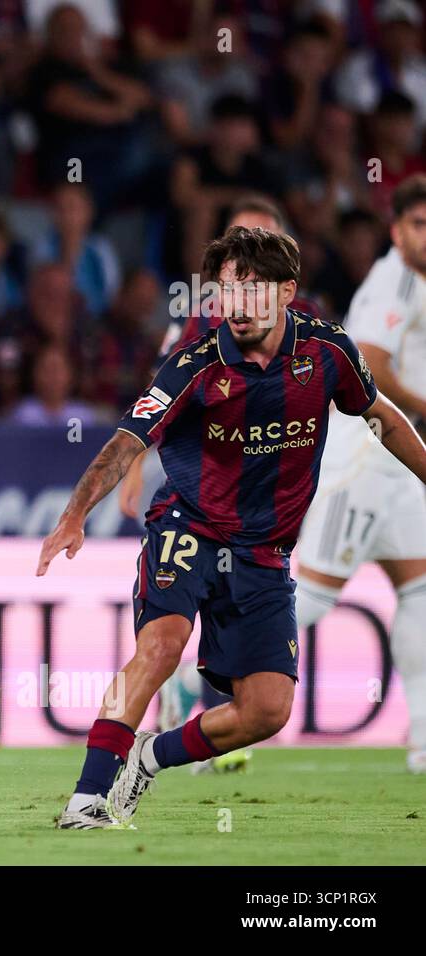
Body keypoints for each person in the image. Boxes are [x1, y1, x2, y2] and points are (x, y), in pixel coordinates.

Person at [38, 227, 426, 828]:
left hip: (266, 552)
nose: (235, 303)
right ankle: (87, 797)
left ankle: (149, 756)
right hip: (189, 527)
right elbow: (126, 442)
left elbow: (382, 418)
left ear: (286, 293)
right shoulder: (195, 363)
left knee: (267, 711)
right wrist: (74, 513)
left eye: (250, 288)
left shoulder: (327, 352)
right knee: (161, 646)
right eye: (224, 290)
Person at [293, 175, 426, 773]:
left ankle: (423, 740)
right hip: (367, 462)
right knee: (309, 605)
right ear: (397, 230)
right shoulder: (391, 281)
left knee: (421, 596)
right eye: (418, 225)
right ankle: (191, 683)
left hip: (404, 470)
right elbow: (368, 367)